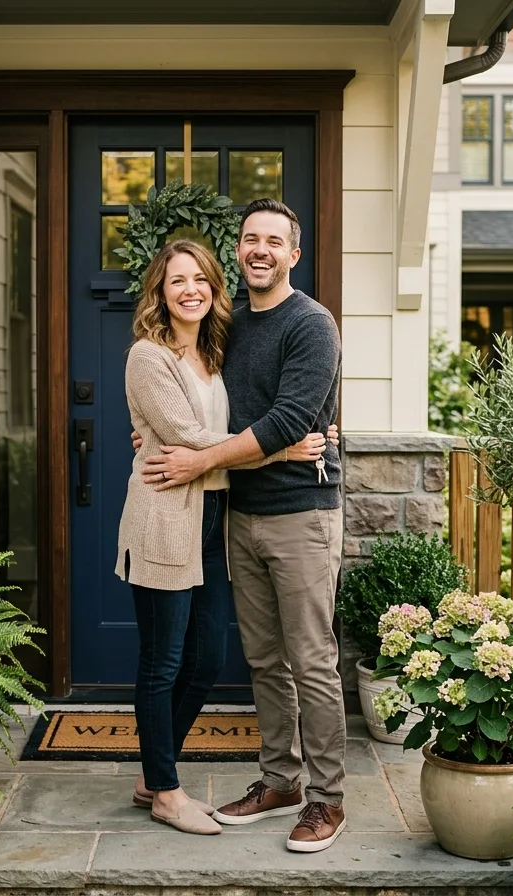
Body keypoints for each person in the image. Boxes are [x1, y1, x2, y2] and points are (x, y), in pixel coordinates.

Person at [138, 199, 346, 853]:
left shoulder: (311, 323)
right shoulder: (228, 326)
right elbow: (203, 408)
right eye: (251, 238)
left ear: (294, 254)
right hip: (238, 511)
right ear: (239, 250)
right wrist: (161, 438)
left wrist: (200, 458)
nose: (260, 249)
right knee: (264, 660)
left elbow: (289, 421)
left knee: (311, 659)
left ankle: (327, 798)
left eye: (273, 241)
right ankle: (280, 781)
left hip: (302, 514)